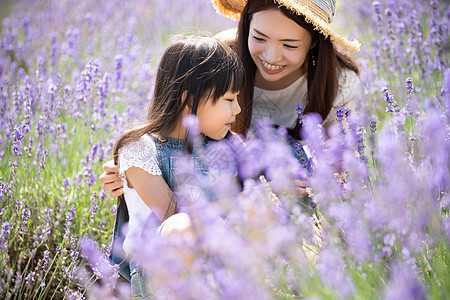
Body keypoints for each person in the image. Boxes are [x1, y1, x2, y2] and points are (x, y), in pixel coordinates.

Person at [100, 0, 363, 197]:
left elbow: (338, 165)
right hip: (218, 191)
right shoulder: (222, 56)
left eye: (289, 45)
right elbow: (173, 121)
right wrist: (138, 166)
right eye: (259, 38)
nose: (271, 57)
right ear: (246, 25)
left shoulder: (339, 83)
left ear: (314, 42)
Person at [110, 35, 244, 299]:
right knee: (183, 226)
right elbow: (173, 217)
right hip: (161, 272)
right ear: (189, 100)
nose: (237, 109)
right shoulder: (140, 149)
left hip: (217, 264)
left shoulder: (225, 147)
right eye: (229, 100)